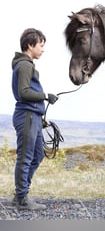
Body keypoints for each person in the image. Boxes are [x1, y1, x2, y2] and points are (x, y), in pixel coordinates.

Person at [11, 28, 58, 210]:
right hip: (27, 116)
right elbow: (24, 93)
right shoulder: (24, 65)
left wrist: (40, 115)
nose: (43, 49)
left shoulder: (27, 64)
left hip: (33, 116)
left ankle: (20, 194)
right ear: (30, 45)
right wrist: (45, 96)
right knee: (25, 157)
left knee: (38, 154)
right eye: (41, 45)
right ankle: (22, 198)